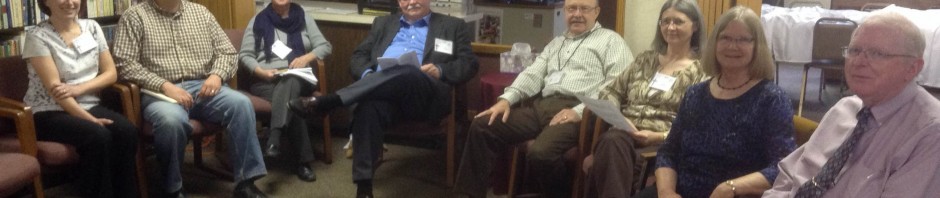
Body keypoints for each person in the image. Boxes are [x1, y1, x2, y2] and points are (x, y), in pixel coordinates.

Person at [287, 0, 478, 196]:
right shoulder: (383, 23)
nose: (411, 2)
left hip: (422, 98)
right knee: (367, 107)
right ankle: (364, 187)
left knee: (407, 71)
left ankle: (331, 101)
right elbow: (358, 57)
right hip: (383, 97)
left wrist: (440, 69)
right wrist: (368, 77)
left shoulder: (453, 26)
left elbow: (469, 63)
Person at [453, 0, 633, 196]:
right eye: (572, 8)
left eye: (585, 8)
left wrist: (578, 111)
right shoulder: (557, 42)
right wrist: (506, 99)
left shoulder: (611, 41)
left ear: (596, 12)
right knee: (482, 125)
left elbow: (616, 88)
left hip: (580, 112)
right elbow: (533, 74)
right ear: (564, 11)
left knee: (541, 153)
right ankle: (468, 194)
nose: (577, 14)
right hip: (543, 107)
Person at [763, 11, 940, 198]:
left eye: (877, 54)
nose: (859, 62)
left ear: (912, 68)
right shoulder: (844, 109)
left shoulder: (929, 135)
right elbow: (788, 177)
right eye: (854, 50)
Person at [113, 0, 267, 197]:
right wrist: (164, 86)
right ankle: (173, 189)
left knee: (242, 104)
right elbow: (124, 63)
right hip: (160, 91)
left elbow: (227, 51)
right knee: (171, 122)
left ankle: (245, 183)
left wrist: (216, 75)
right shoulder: (134, 16)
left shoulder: (201, 13)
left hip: (203, 85)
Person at [644, 6, 796, 198]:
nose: (732, 46)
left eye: (743, 39)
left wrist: (730, 187)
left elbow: (783, 168)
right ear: (714, 43)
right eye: (725, 38)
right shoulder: (694, 94)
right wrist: (666, 191)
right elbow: (668, 151)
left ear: (757, 46)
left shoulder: (772, 99)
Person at [581, 0, 707, 197]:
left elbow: (697, 124)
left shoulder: (702, 71)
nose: (670, 27)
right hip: (625, 135)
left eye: (678, 22)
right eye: (665, 22)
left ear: (695, 26)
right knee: (612, 141)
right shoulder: (644, 60)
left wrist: (657, 136)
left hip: (663, 142)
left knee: (610, 153)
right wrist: (620, 119)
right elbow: (610, 92)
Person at [21, 0, 140, 197]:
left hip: (87, 102)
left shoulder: (92, 27)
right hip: (48, 110)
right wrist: (90, 120)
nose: (70, 2)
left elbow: (111, 73)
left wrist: (79, 89)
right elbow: (57, 92)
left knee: (127, 131)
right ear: (46, 2)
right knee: (97, 136)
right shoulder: (36, 36)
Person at [238, 0, 332, 182]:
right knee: (292, 103)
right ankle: (303, 162)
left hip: (300, 76)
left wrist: (306, 58)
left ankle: (274, 137)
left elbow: (325, 46)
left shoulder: (304, 16)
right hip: (267, 80)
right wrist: (261, 72)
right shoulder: (258, 20)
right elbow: (245, 55)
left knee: (291, 79)